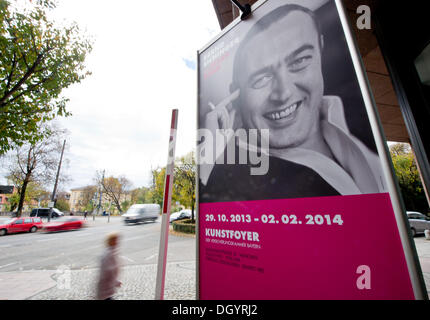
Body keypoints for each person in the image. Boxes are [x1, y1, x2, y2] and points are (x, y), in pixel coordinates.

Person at [199, 4, 386, 203]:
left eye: (300, 61)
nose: (284, 93)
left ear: (320, 50)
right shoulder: (234, 179)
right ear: (235, 95)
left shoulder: (364, 117)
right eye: (261, 78)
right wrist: (208, 157)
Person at [96, 232, 122, 300]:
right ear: (112, 241)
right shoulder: (108, 254)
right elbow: (109, 271)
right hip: (105, 288)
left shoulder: (111, 252)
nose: (118, 242)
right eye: (116, 240)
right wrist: (115, 282)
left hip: (107, 288)